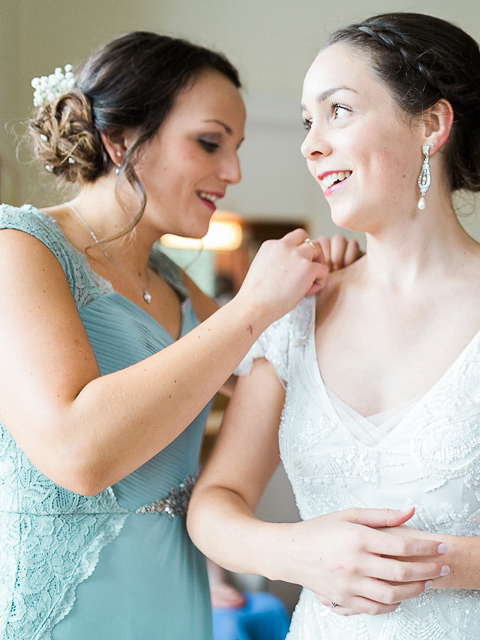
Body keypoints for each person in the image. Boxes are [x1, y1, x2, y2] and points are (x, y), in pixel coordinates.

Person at [187, 12, 480, 640]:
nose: (310, 144)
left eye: (338, 111)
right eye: (308, 122)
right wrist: (300, 553)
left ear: (432, 125)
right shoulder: (298, 311)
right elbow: (215, 501)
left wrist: (435, 563)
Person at [0, 31, 445, 640]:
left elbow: (291, 385)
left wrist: (330, 296)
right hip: (68, 611)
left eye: (233, 148)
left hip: (173, 601)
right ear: (122, 137)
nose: (231, 171)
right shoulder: (18, 249)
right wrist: (256, 305)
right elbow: (77, 453)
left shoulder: (175, 286)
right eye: (209, 143)